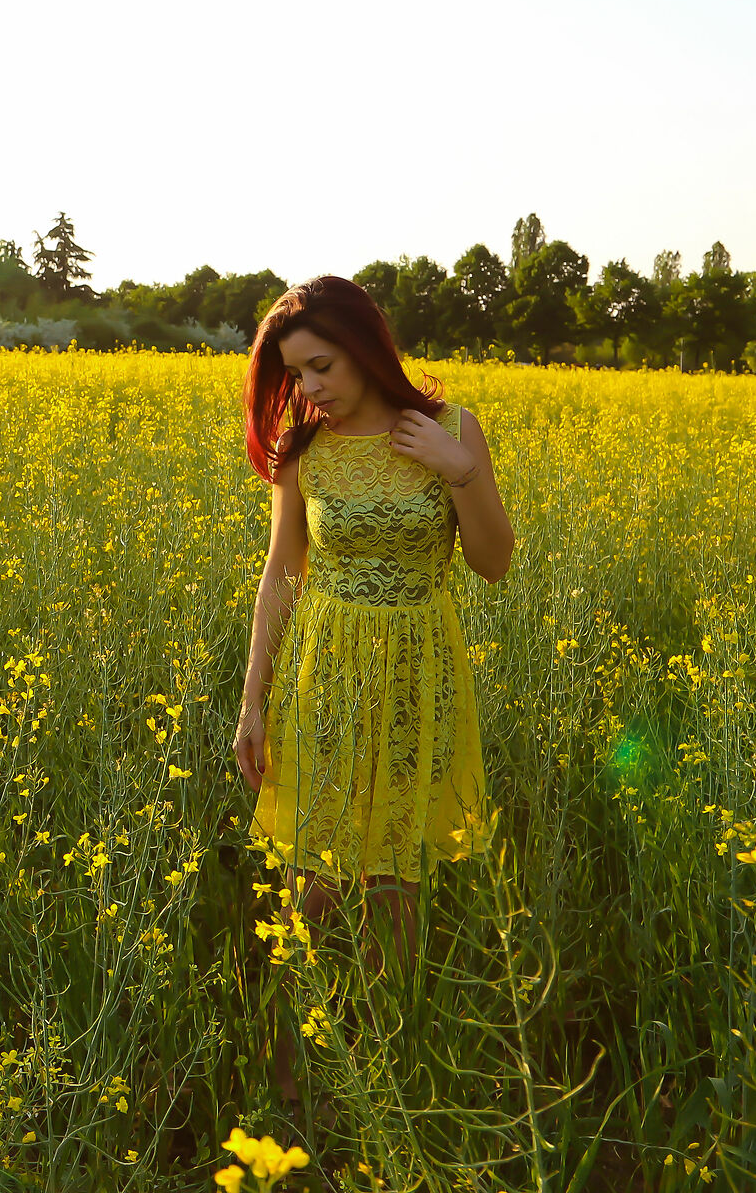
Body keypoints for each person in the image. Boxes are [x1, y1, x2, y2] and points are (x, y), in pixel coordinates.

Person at [229, 275, 514, 1101]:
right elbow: (281, 575)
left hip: (418, 677)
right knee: (308, 891)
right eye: (296, 375)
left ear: (363, 346)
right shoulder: (303, 450)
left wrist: (460, 471)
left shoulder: (452, 431)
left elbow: (493, 565)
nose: (310, 388)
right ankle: (287, 1090)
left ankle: (391, 1084)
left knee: (396, 890)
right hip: (326, 677)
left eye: (321, 366)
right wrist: (253, 700)